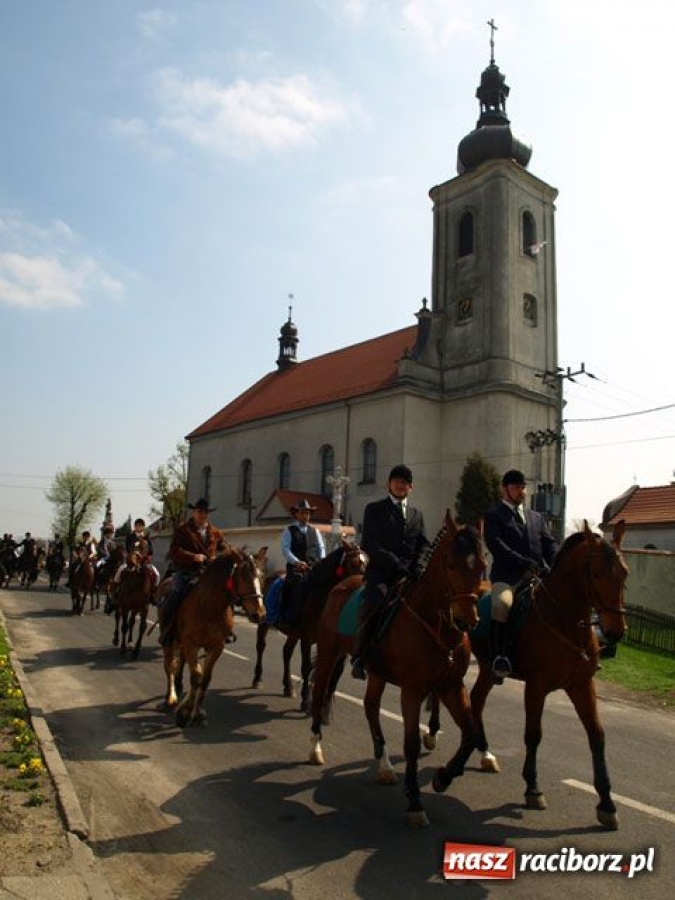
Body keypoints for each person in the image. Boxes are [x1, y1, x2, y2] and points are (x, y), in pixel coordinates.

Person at [351, 464, 429, 680]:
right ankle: (359, 655)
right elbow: (371, 544)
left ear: (411, 487)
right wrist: (396, 564)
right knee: (373, 603)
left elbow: (424, 544)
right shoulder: (374, 509)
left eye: (405, 483)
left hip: (411, 575)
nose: (400, 485)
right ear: (389, 484)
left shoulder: (417, 514)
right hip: (382, 574)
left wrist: (419, 565)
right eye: (397, 481)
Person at [484, 469, 558, 681]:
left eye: (523, 487)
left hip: (537, 576)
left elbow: (549, 544)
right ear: (504, 489)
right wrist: (523, 562)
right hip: (508, 578)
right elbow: (497, 545)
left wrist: (555, 563)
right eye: (516, 487)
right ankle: (498, 657)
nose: (521, 491)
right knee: (502, 605)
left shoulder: (536, 517)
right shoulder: (494, 515)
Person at [159, 499, 223, 646]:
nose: (203, 515)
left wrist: (219, 557)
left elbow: (223, 547)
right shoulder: (182, 530)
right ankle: (167, 631)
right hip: (186, 571)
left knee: (226, 594)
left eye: (205, 512)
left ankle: (225, 628)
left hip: (208, 573)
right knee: (174, 595)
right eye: (200, 512)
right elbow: (174, 551)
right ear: (194, 513)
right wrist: (193, 557)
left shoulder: (215, 532)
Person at [278, 498, 326, 627]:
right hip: (296, 568)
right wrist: (297, 562)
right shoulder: (289, 530)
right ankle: (286, 617)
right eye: (303, 512)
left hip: (313, 567)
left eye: (308, 513)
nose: (306, 516)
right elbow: (286, 549)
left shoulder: (315, 531)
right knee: (293, 585)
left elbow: (321, 548)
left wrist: (321, 562)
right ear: (296, 514)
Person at [113, 518, 160, 591]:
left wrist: (145, 556)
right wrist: (134, 554)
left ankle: (153, 592)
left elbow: (151, 550)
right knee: (120, 570)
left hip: (144, 562)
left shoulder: (146, 538)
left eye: (140, 525)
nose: (138, 527)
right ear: (134, 526)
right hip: (132, 561)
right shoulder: (130, 537)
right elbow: (128, 548)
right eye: (136, 525)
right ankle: (115, 589)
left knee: (157, 574)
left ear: (143, 527)